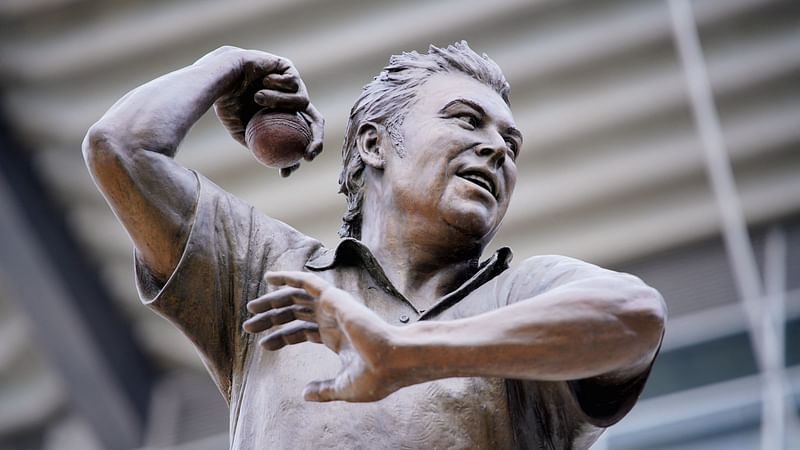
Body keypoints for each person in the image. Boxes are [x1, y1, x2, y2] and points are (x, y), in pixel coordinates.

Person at [83, 42, 666, 449]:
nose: (497, 149)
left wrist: (404, 353)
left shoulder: (521, 295)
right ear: (373, 144)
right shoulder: (267, 270)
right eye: (466, 121)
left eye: (511, 143)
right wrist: (228, 65)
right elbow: (120, 148)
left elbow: (636, 316)